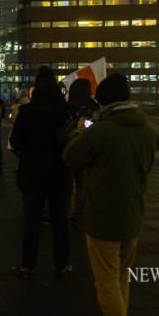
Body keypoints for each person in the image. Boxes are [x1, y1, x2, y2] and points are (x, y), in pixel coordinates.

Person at [63, 73, 159, 316]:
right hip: (133, 213)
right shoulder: (147, 128)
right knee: (121, 276)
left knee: (106, 280)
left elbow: (71, 157)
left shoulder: (102, 130)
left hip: (103, 215)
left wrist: (78, 133)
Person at [9, 66, 72, 279]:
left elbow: (15, 141)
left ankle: (28, 265)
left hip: (33, 171)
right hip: (60, 172)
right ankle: (62, 264)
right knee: (60, 221)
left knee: (32, 221)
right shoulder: (66, 111)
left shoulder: (27, 112)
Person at [65, 79, 100, 219]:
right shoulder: (94, 108)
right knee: (82, 184)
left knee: (66, 184)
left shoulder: (68, 106)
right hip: (88, 151)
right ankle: (80, 211)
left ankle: (64, 210)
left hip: (69, 148)